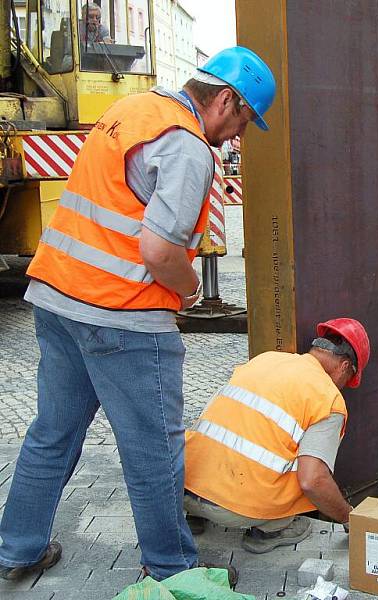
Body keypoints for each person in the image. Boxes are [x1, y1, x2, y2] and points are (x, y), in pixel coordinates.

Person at [0, 47, 276, 582]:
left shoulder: (133, 110)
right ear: (226, 100)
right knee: (154, 450)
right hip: (121, 317)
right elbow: (160, 252)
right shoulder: (188, 147)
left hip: (58, 298)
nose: (238, 136)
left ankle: (17, 548)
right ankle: (174, 571)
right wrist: (192, 290)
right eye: (243, 120)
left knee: (52, 432)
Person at [183, 319, 370, 553]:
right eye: (348, 379)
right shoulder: (328, 399)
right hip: (233, 510)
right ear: (344, 366)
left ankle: (194, 516)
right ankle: (271, 530)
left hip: (183, 487)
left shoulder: (266, 359)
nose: (343, 387)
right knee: (304, 467)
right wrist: (348, 517)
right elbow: (312, 480)